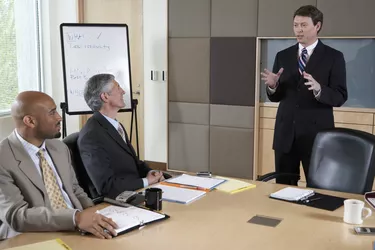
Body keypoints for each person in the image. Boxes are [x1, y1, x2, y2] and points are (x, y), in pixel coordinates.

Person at [0, 91, 118, 239]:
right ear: (30, 121)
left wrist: (94, 215)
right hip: (32, 235)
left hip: (77, 229)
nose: (59, 117)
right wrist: (76, 218)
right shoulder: (3, 158)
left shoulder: (59, 148)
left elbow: (75, 190)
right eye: (52, 113)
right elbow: (16, 215)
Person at [261, 5, 347, 185]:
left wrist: (319, 89)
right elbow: (276, 97)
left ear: (317, 26)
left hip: (316, 137)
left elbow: (340, 96)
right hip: (286, 135)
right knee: (283, 189)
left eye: (303, 25)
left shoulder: (334, 57)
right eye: (295, 25)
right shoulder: (283, 55)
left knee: (318, 190)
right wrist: (273, 86)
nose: (298, 30)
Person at [78, 74, 164, 199]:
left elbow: (133, 162)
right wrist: (146, 181)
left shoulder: (115, 125)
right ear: (105, 96)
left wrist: (150, 172)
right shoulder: (91, 136)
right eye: (118, 88)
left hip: (136, 190)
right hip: (119, 200)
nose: (123, 91)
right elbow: (106, 186)